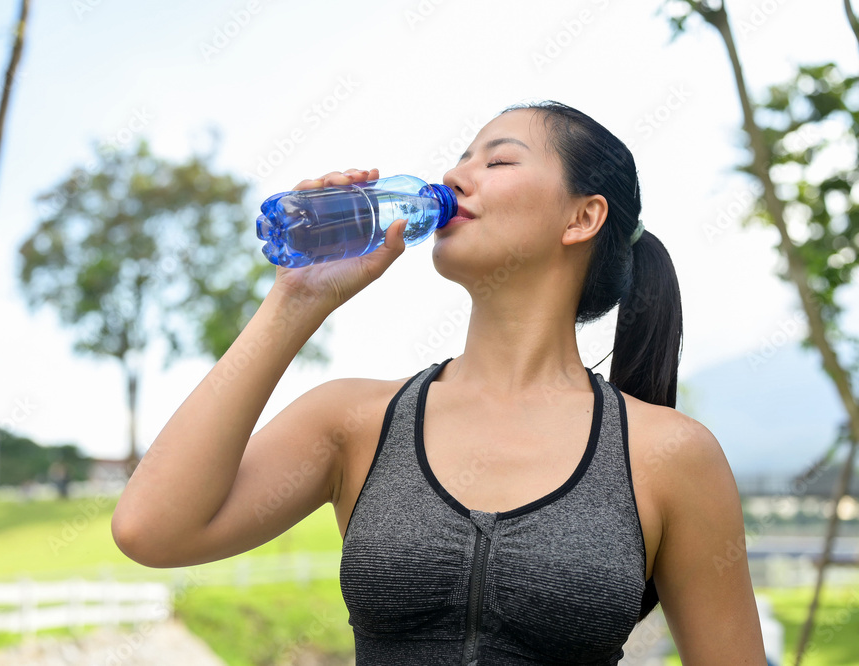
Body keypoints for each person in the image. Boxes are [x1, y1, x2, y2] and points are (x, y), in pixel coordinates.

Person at [111, 101, 767, 664]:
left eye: (498, 161)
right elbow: (152, 529)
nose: (455, 175)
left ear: (582, 217)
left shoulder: (669, 455)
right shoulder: (356, 421)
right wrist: (296, 302)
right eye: (460, 158)